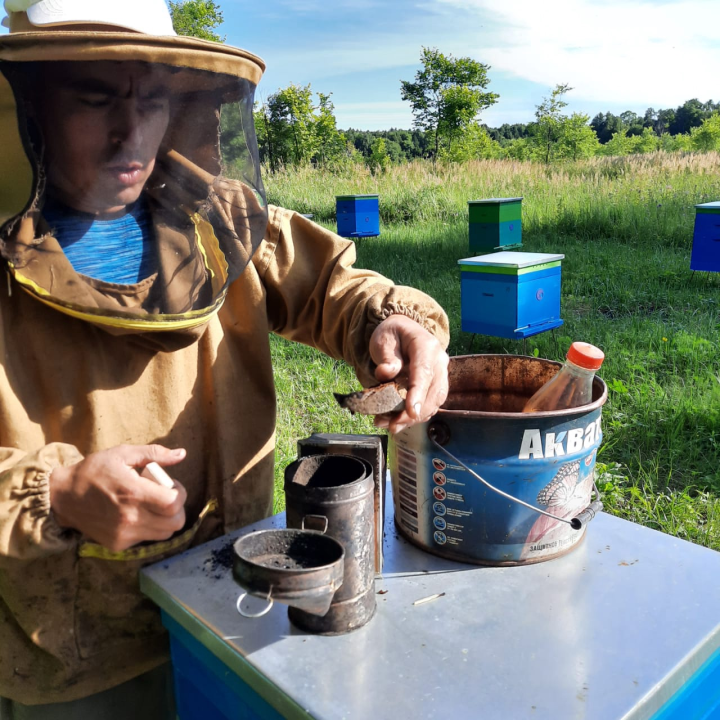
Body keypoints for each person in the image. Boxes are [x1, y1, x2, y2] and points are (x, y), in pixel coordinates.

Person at [0, 0, 450, 717]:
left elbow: (331, 283)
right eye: (92, 99)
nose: (130, 133)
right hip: (77, 650)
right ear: (27, 108)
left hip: (239, 599)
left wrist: (392, 322)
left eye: (151, 102)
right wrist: (54, 492)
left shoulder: (219, 215)